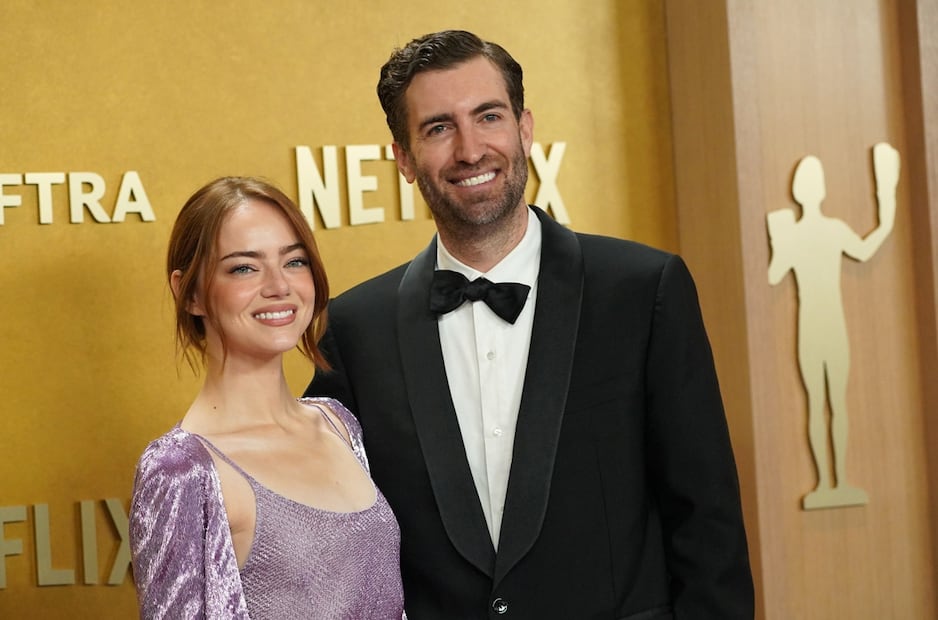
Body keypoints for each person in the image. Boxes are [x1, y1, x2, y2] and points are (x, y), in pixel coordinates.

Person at [305, 30, 754, 619]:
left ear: (524, 128)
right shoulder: (355, 328)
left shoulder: (644, 290)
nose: (470, 149)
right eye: (439, 127)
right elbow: (326, 530)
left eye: (488, 116)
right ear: (405, 159)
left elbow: (707, 524)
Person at [129, 177, 404, 619]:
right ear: (191, 292)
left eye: (294, 262)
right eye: (244, 268)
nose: (279, 286)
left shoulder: (338, 424)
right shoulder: (181, 470)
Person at [767, 143, 899, 510]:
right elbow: (775, 273)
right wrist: (886, 209)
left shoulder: (815, 231)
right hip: (820, 325)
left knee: (824, 403)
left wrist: (887, 207)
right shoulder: (810, 231)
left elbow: (863, 249)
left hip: (820, 325)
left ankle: (833, 482)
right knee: (826, 403)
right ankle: (828, 482)